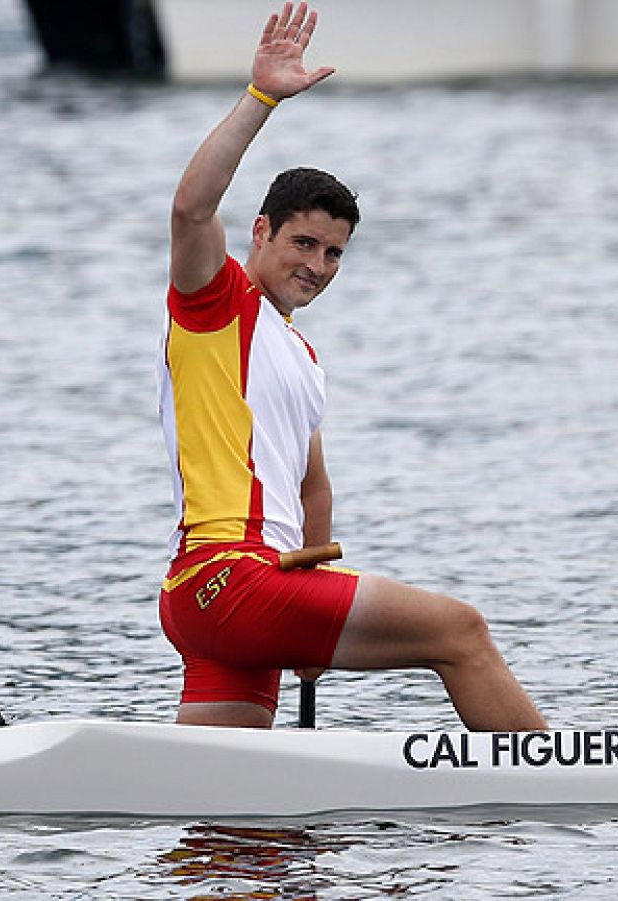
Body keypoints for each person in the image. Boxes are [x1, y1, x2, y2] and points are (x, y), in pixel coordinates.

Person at [157, 2, 546, 731]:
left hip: (216, 598)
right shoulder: (219, 304)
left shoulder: (300, 356)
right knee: (460, 632)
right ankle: (563, 780)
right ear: (261, 231)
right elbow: (189, 209)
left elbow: (313, 484)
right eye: (303, 244)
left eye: (334, 252)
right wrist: (262, 97)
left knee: (224, 795)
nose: (318, 265)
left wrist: (314, 574)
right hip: (232, 579)